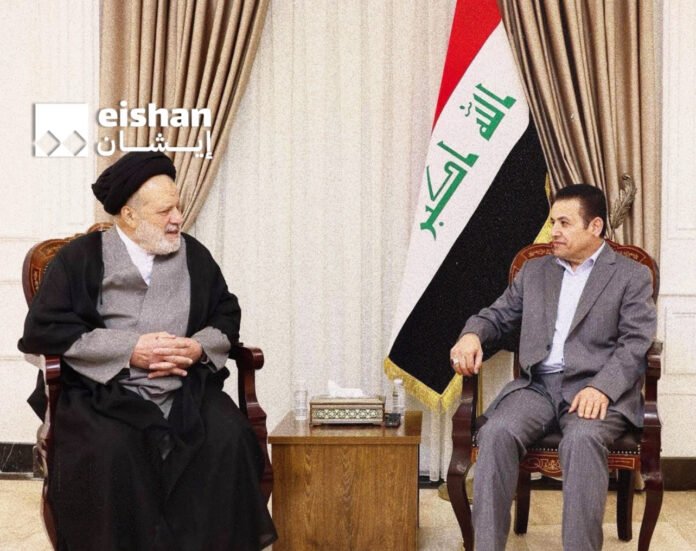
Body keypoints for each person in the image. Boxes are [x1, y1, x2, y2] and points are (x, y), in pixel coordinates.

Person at [19, 152, 277, 551]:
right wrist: (130, 349)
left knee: (228, 437)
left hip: (185, 388)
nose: (177, 218)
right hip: (104, 391)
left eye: (178, 207)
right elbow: (46, 329)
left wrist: (197, 347)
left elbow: (226, 313)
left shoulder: (194, 255)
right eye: (164, 211)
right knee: (109, 450)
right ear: (129, 215)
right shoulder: (79, 259)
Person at [450, 184, 656, 551]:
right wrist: (471, 335)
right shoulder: (535, 271)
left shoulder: (630, 275)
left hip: (594, 390)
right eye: (552, 222)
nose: (554, 231)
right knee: (496, 433)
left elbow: (635, 342)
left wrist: (603, 387)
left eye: (564, 222)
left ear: (595, 226)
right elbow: (497, 316)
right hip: (537, 387)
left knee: (582, 439)